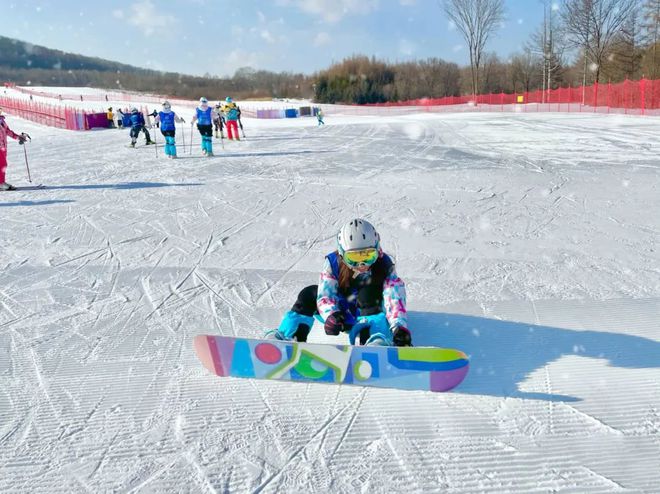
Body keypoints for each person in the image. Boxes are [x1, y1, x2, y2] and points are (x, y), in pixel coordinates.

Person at [267, 219, 411, 346]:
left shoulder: (384, 264)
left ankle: (375, 341)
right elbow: (325, 293)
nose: (361, 264)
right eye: (353, 257)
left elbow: (394, 297)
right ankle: (289, 338)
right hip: (341, 315)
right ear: (342, 254)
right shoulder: (333, 263)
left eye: (368, 255)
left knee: (367, 292)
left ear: (377, 250)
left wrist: (399, 327)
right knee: (308, 293)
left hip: (372, 315)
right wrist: (332, 315)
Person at [0, 107, 28, 191]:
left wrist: (18, 137)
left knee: (2, 165)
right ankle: (1, 183)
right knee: (2, 164)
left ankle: (1, 182)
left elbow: (8, 131)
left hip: (3, 146)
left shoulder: (2, 121)